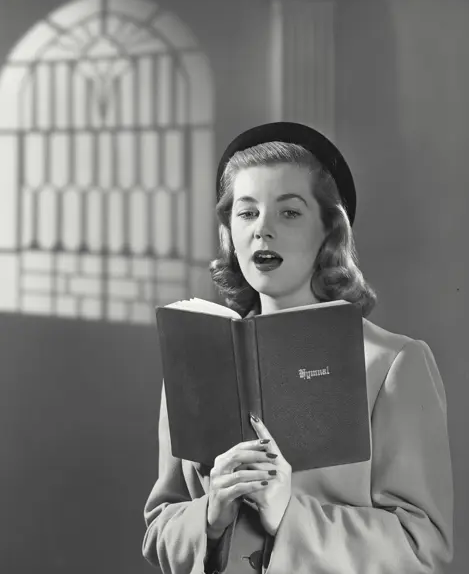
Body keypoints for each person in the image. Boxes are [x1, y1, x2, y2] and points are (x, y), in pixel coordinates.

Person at [142, 122, 453, 573]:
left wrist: (288, 513)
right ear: (229, 228)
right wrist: (210, 515)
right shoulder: (197, 359)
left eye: (289, 212)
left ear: (330, 228)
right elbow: (160, 527)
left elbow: (426, 552)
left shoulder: (392, 363)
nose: (262, 231)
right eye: (247, 213)